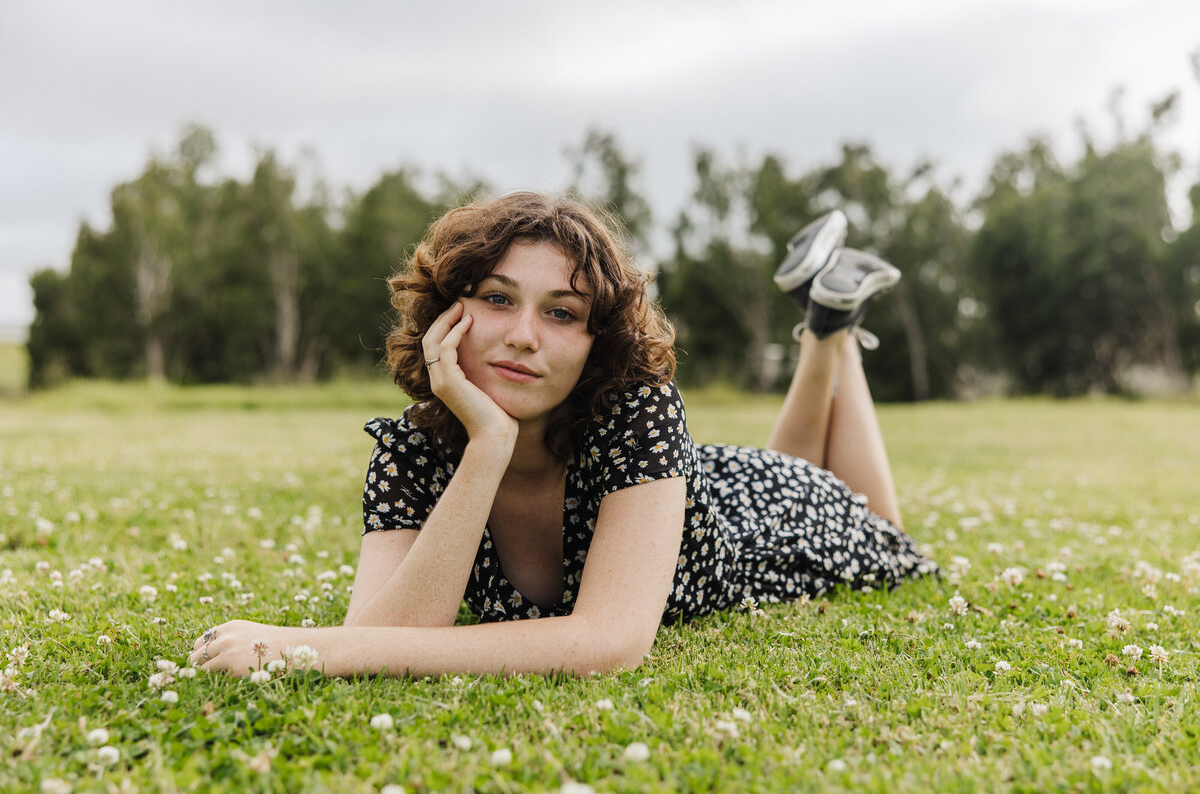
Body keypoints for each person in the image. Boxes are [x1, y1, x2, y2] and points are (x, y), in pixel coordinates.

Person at [190, 193, 936, 677]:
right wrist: (485, 446)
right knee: (798, 464)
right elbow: (384, 632)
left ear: (594, 341)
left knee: (882, 527)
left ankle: (829, 336)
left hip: (765, 516)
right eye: (495, 298)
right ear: (448, 314)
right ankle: (830, 324)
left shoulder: (637, 413)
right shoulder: (414, 450)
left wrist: (304, 649)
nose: (522, 337)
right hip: (682, 488)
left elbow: (611, 641)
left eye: (561, 313)